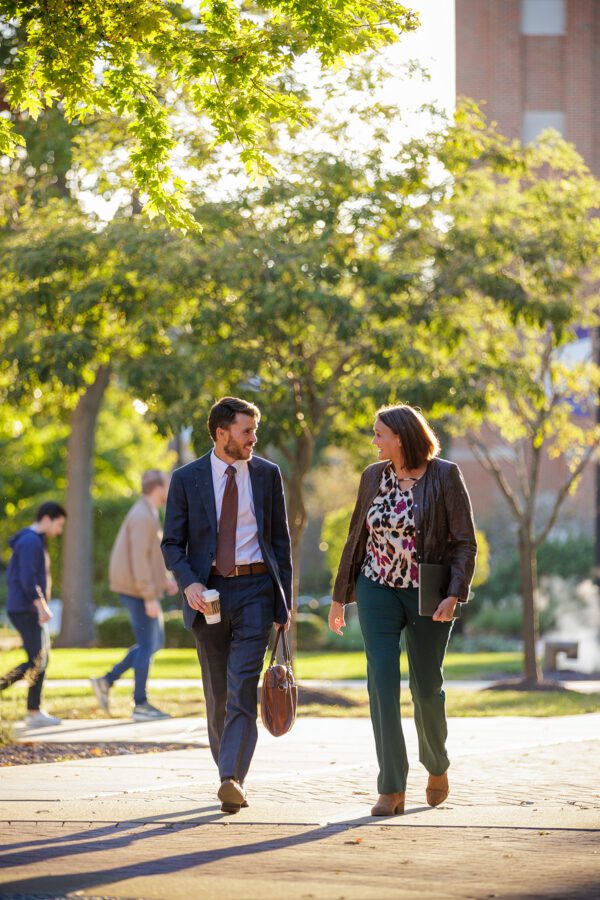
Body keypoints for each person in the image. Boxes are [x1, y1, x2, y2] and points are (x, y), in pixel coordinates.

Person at [329, 404, 477, 816]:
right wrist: (340, 596)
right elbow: (355, 536)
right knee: (381, 682)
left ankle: (436, 763)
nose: (373, 441)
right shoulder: (372, 477)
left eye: (379, 434)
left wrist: (454, 593)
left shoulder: (445, 475)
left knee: (426, 687)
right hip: (376, 587)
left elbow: (465, 541)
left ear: (400, 437)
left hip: (426, 592)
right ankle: (391, 786)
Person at [161, 396, 292, 814]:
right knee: (218, 693)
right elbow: (172, 544)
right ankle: (228, 768)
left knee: (241, 689)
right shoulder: (187, 478)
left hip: (256, 590)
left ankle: (231, 778)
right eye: (246, 431)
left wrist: (283, 604)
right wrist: (189, 584)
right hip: (209, 595)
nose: (254, 438)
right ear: (222, 434)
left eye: (254, 431)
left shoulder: (268, 475)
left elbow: (280, 543)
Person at [90, 470, 178, 722]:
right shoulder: (143, 516)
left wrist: (164, 580)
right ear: (158, 488)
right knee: (148, 644)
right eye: (168, 485)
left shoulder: (148, 513)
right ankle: (140, 703)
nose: (170, 489)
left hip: (141, 589)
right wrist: (150, 596)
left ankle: (107, 681)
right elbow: (138, 560)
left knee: (153, 643)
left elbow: (151, 556)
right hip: (137, 591)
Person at [0, 501, 67, 727]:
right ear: (47, 518)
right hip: (25, 608)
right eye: (59, 525)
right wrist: (41, 606)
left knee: (39, 659)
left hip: (25, 608)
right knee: (37, 660)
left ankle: (33, 709)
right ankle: (33, 710)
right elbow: (28, 579)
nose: (59, 531)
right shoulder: (30, 542)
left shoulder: (33, 540)